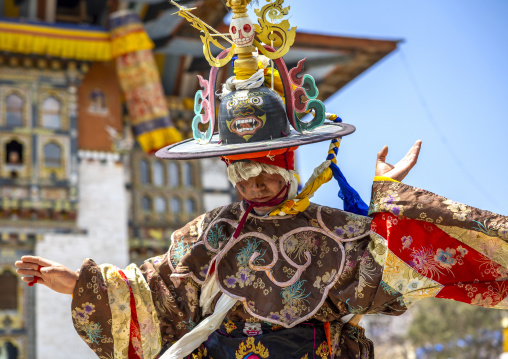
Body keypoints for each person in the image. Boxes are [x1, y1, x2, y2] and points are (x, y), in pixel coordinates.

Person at [15, 2, 508, 358]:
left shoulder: (335, 231)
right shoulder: (210, 234)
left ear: (288, 169)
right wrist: (75, 282)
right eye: (242, 175)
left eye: (264, 174)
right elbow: (152, 291)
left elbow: (393, 268)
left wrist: (388, 203)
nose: (253, 186)